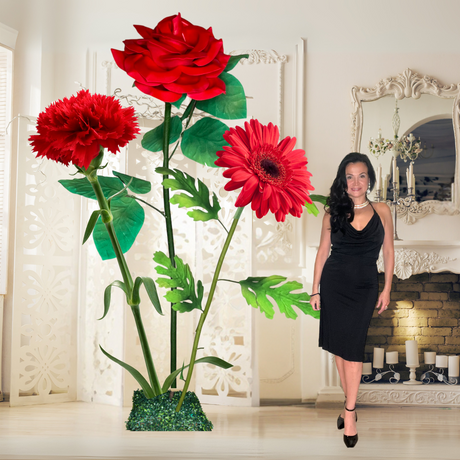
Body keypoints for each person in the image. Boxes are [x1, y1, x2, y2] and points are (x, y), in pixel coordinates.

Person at [310, 152, 394, 448]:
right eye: (349, 176)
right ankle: (350, 408)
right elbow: (322, 253)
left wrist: (386, 289)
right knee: (340, 349)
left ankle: (349, 413)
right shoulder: (331, 212)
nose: (355, 182)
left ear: (369, 178)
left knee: (354, 349)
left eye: (361, 176)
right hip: (334, 285)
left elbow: (388, 253)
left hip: (365, 287)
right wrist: (315, 289)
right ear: (342, 180)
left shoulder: (383, 210)